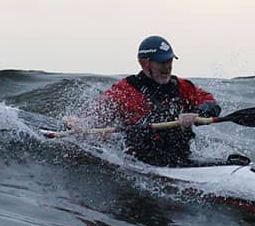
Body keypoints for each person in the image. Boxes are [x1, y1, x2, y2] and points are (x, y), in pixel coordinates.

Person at [89, 35, 222, 167]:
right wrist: (78, 124)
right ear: (145, 63)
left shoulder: (182, 86)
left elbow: (211, 104)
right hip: (141, 161)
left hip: (180, 157)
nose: (167, 68)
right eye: (162, 63)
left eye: (169, 61)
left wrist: (197, 113)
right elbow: (96, 114)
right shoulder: (125, 90)